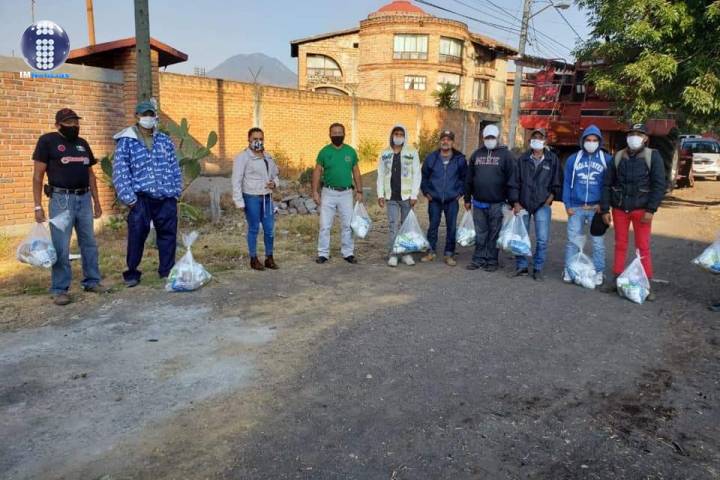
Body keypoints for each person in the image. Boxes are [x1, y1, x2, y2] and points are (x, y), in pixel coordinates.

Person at [32, 108, 109, 305]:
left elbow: (91, 175)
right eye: (69, 123)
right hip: (61, 200)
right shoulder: (47, 141)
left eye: (76, 122)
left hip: (84, 198)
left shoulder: (82, 144)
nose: (74, 126)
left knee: (89, 242)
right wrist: (37, 206)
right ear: (58, 125)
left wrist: (97, 201)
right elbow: (38, 176)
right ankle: (60, 289)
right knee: (61, 245)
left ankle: (92, 281)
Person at [112, 100, 183, 288]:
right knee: (137, 235)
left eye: (151, 114)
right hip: (140, 198)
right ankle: (132, 272)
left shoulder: (164, 140)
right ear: (137, 116)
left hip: (166, 196)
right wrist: (130, 199)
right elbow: (120, 171)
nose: (148, 118)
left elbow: (174, 166)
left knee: (168, 234)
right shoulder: (127, 141)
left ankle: (166, 270)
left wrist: (176, 192)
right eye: (145, 114)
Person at [601, 123, 666, 300]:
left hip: (642, 210)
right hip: (620, 209)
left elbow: (659, 185)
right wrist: (605, 209)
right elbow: (607, 184)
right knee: (620, 244)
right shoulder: (618, 156)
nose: (634, 137)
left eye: (638, 134)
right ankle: (616, 279)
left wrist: (651, 209)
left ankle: (646, 284)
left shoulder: (653, 156)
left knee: (643, 247)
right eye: (631, 134)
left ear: (645, 138)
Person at [509, 128, 561, 281]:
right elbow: (514, 182)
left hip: (542, 205)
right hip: (523, 203)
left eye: (540, 137)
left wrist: (550, 198)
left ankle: (538, 268)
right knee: (520, 236)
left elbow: (557, 181)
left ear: (545, 141)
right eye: (534, 137)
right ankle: (522, 266)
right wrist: (515, 202)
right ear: (530, 141)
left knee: (542, 239)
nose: (537, 140)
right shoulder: (522, 159)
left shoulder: (552, 160)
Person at [562, 124, 610, 286]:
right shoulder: (573, 159)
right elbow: (567, 182)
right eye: (588, 140)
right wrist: (567, 204)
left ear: (599, 141)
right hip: (576, 207)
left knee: (598, 243)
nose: (591, 143)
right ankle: (569, 269)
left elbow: (609, 185)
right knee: (573, 241)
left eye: (595, 140)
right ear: (583, 141)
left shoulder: (606, 159)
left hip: (596, 208)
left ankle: (599, 271)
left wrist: (604, 206)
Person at [462, 124, 515, 272]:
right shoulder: (476, 154)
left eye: (492, 137)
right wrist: (467, 198)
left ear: (497, 138)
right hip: (478, 202)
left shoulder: (506, 155)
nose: (489, 140)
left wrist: (512, 201)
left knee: (494, 234)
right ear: (483, 138)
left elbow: (512, 179)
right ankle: (478, 259)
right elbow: (469, 178)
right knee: (480, 233)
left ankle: (492, 261)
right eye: (487, 137)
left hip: (497, 203)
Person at [312, 123, 364, 264]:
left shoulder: (350, 152)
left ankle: (348, 253)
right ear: (330, 134)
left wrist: (359, 190)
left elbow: (356, 172)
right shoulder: (324, 152)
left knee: (347, 225)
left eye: (339, 132)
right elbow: (317, 172)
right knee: (325, 225)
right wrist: (315, 192)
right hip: (328, 192)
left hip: (346, 193)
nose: (337, 135)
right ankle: (323, 253)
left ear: (344, 134)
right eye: (334, 133)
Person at [232, 127, 280, 271]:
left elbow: (275, 174)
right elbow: (236, 180)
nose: (258, 141)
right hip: (251, 197)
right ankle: (253, 259)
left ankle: (269, 258)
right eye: (255, 139)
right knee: (254, 228)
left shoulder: (267, 157)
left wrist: (274, 183)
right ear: (249, 139)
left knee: (269, 229)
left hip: (267, 197)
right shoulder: (243, 157)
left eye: (261, 139)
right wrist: (239, 201)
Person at [420, 130, 466, 267]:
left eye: (449, 139)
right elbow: (424, 177)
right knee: (433, 226)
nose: (445, 142)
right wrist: (426, 192)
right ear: (440, 141)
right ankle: (430, 251)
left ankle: (449, 253)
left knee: (451, 227)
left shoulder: (459, 159)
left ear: (452, 142)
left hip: (452, 200)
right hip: (434, 199)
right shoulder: (431, 158)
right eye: (443, 139)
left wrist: (460, 193)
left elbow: (465, 178)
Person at [378, 125, 422, 267]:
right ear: (392, 135)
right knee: (393, 225)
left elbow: (417, 174)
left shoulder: (412, 152)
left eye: (401, 134)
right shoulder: (385, 153)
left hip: (407, 197)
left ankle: (406, 254)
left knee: (406, 225)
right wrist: (380, 194)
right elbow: (380, 174)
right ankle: (393, 255)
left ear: (405, 136)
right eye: (396, 133)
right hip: (391, 196)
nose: (398, 136)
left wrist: (414, 195)